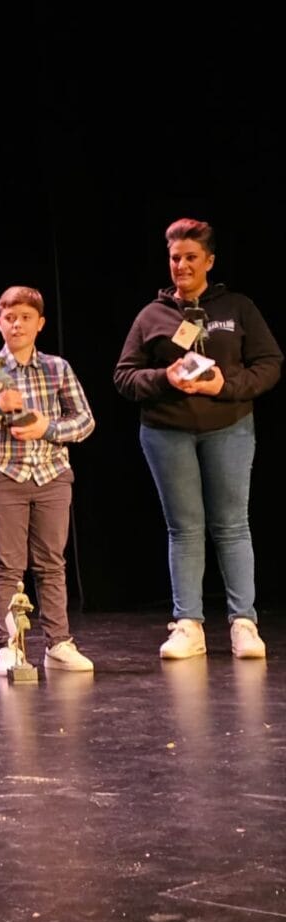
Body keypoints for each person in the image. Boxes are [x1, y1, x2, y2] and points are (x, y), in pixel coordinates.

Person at [114, 218, 281, 660]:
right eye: (175, 258)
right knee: (184, 529)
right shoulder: (152, 315)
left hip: (229, 428)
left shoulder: (238, 308)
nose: (182, 265)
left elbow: (269, 364)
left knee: (231, 526)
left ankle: (244, 623)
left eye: (191, 257)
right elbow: (124, 377)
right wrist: (164, 377)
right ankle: (188, 624)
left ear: (209, 260)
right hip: (167, 433)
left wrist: (223, 386)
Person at [0, 285, 96, 677]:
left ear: (40, 324)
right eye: (9, 318)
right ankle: (9, 646)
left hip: (50, 474)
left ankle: (58, 643)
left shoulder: (57, 368)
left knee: (51, 563)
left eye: (25, 318)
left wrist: (48, 427)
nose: (17, 324)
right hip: (2, 475)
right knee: (7, 566)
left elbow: (85, 421)